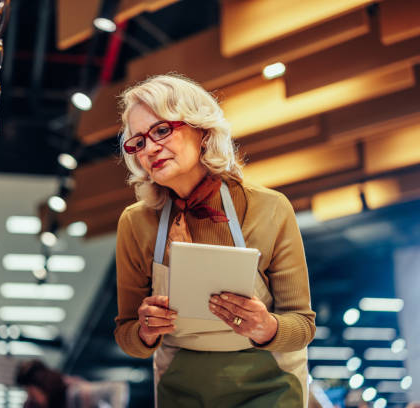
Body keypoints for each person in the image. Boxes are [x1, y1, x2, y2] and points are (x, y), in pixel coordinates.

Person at [114, 73, 316, 407]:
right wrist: (145, 331)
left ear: (203, 131)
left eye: (161, 130)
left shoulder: (269, 209)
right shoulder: (136, 222)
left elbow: (303, 326)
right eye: (138, 142)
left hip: (269, 386)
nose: (149, 148)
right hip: (182, 389)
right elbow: (126, 333)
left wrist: (265, 326)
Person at [15, 359, 129, 408]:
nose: (31, 398)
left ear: (43, 386)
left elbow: (117, 388)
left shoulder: (75, 394)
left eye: (33, 395)